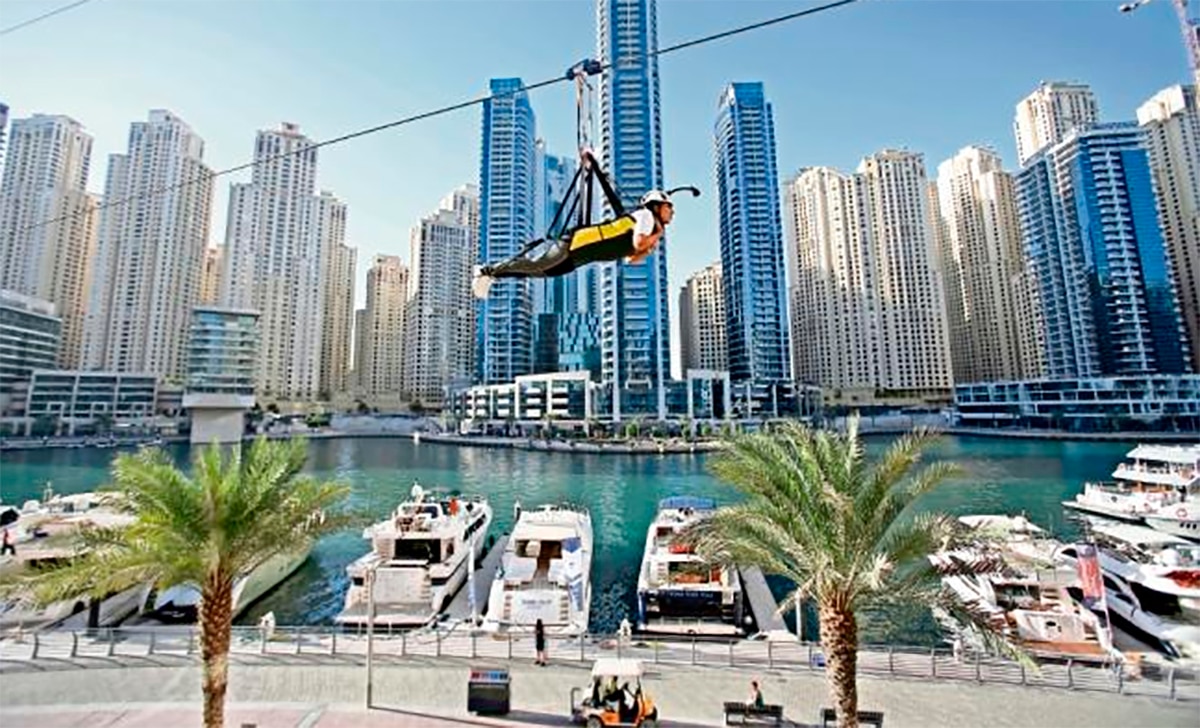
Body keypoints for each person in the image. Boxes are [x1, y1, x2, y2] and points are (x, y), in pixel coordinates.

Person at [472, 183, 681, 300]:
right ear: (656, 206)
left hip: (578, 258)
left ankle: (493, 276)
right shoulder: (645, 216)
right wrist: (656, 237)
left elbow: (631, 259)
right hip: (575, 244)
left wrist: (649, 248)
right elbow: (638, 243)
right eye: (668, 206)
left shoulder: (649, 227)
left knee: (538, 272)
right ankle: (486, 271)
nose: (672, 211)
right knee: (537, 265)